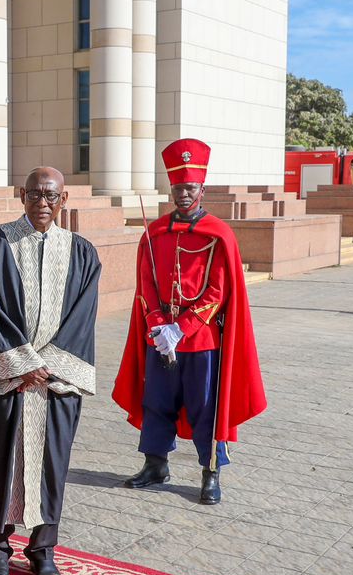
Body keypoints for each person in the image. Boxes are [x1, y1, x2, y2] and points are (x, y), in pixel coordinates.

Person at [0, 167, 101, 575]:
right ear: (22, 195)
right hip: (5, 379)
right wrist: (22, 362)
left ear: (64, 199)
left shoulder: (82, 253)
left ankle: (43, 552)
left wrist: (48, 365)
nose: (43, 202)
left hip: (55, 383)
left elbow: (83, 319)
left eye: (52, 196)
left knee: (51, 466)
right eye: (36, 194)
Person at [112, 138, 266, 504]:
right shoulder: (155, 233)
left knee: (205, 407)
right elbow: (146, 284)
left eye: (190, 187)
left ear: (202, 188)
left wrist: (182, 328)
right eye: (179, 187)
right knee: (157, 401)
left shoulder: (219, 234)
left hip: (200, 340)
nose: (184, 194)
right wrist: (158, 324)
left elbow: (218, 291)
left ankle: (210, 471)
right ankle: (155, 464)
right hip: (160, 335)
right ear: (172, 188)